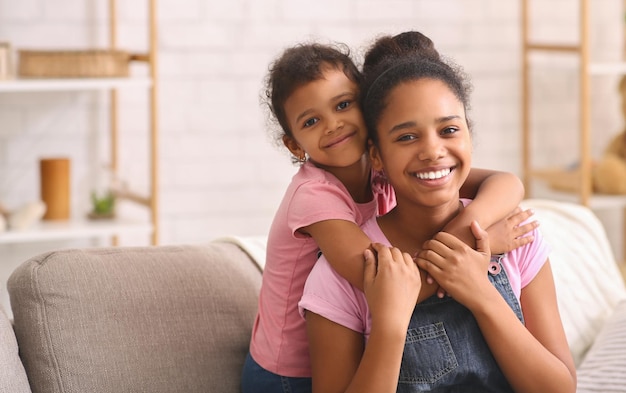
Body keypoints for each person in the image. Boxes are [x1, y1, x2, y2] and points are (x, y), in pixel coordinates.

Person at [241, 39, 537, 393]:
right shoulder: (314, 197)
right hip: (289, 370)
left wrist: (464, 229)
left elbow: (506, 183)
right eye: (312, 120)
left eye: (344, 104)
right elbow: (380, 284)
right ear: (294, 145)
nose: (333, 125)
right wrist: (475, 246)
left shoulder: (388, 168)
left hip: (352, 342)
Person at [299, 32, 577, 393]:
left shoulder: (515, 236)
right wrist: (390, 325)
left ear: (469, 137)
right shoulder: (344, 274)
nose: (433, 151)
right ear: (377, 156)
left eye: (449, 130)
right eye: (406, 137)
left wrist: (482, 294)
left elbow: (560, 388)